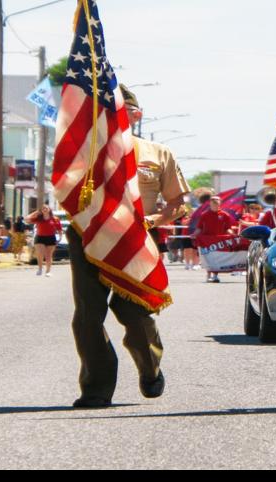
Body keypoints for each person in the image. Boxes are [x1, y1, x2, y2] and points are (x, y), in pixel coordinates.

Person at [68, 86, 189, 408]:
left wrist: (153, 219)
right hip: (89, 236)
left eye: (120, 112)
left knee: (134, 313)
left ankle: (150, 367)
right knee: (87, 316)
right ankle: (96, 389)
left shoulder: (157, 152)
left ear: (136, 115)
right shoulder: (83, 152)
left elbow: (178, 203)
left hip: (136, 238)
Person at [192, 192, 237, 283]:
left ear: (220, 204)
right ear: (210, 204)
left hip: (219, 240)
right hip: (207, 240)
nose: (215, 205)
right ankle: (208, 275)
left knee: (217, 257)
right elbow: (199, 227)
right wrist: (194, 234)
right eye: (213, 203)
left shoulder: (225, 215)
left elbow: (228, 228)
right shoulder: (204, 214)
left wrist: (233, 235)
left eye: (217, 203)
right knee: (208, 257)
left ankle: (215, 275)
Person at [28, 205, 59, 276]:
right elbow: (27, 219)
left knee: (48, 255)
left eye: (46, 208)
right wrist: (36, 212)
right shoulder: (38, 218)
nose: (44, 209)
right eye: (43, 209)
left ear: (49, 210)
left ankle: (48, 271)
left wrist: (59, 238)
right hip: (40, 237)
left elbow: (59, 229)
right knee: (40, 253)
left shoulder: (55, 219)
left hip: (51, 237)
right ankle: (40, 269)